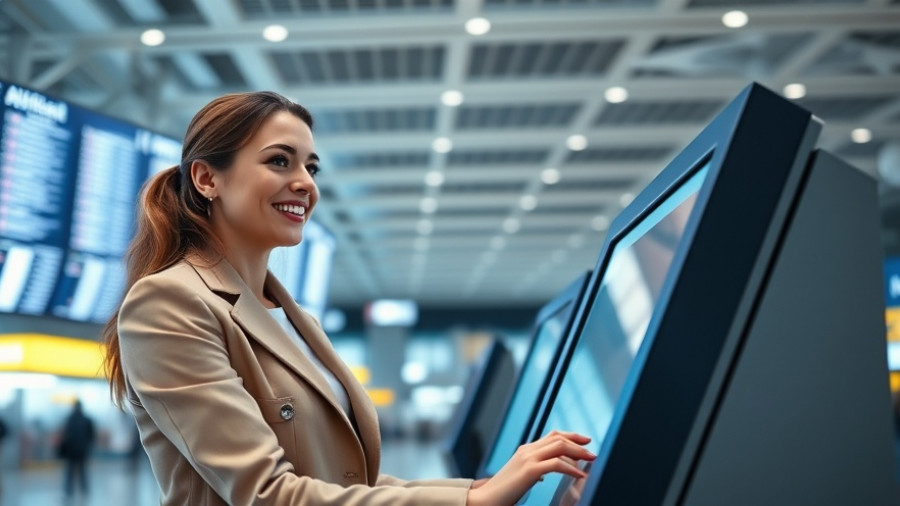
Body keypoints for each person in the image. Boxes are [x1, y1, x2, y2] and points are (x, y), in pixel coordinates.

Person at [102, 91, 594, 505]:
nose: (305, 183)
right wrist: (473, 502)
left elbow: (347, 483)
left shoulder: (295, 319)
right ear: (207, 179)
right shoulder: (169, 302)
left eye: (311, 167)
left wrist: (487, 488)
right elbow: (268, 494)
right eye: (279, 161)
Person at [58, 399, 95, 498]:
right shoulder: (86, 420)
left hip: (71, 450)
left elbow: (65, 435)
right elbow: (91, 436)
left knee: (70, 471)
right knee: (82, 471)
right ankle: (84, 490)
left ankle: (68, 491)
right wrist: (87, 446)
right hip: (82, 450)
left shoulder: (69, 419)